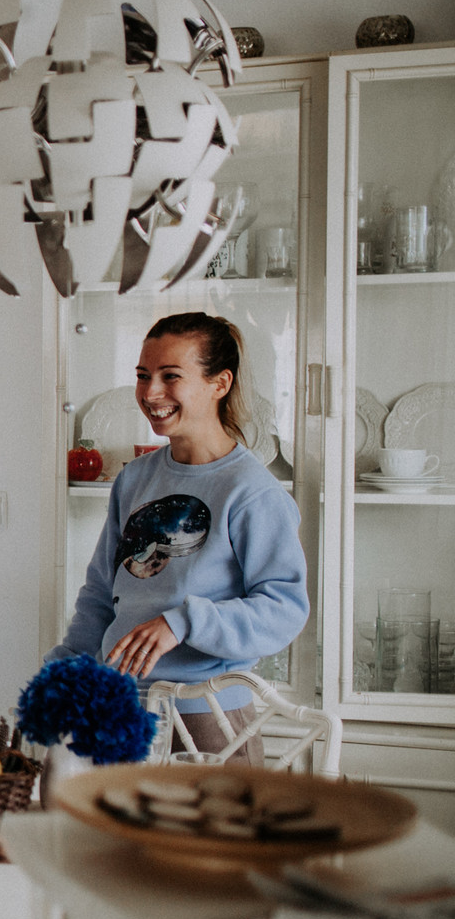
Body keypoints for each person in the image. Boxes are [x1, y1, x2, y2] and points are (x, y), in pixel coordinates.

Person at [52, 312, 309, 764]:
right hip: (120, 713)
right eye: (143, 376)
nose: (151, 393)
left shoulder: (252, 493)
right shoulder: (135, 479)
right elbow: (100, 594)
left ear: (219, 383)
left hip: (208, 722)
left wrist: (184, 621)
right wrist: (64, 669)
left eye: (171, 376)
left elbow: (284, 610)